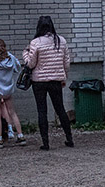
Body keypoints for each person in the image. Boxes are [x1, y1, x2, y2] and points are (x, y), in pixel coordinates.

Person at [23, 16, 74, 150]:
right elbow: (66, 63)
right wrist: (64, 78)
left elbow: (31, 63)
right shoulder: (61, 41)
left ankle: (45, 143)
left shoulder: (35, 42)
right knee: (60, 109)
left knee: (42, 111)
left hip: (39, 81)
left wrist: (25, 54)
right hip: (56, 80)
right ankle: (69, 138)